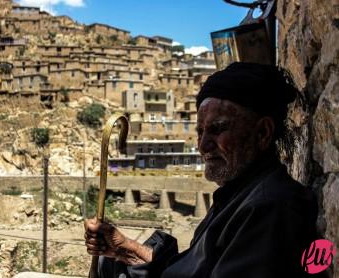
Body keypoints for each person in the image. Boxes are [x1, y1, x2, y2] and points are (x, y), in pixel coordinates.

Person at [84, 62, 326, 278]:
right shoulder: (237, 195)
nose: (203, 146)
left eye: (218, 129)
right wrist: (125, 249)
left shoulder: (269, 208)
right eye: (200, 132)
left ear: (262, 133)